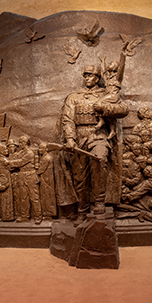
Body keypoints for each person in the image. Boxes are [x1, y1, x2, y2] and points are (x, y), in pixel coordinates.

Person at [60, 64, 129, 221]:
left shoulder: (106, 93)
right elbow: (68, 119)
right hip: (79, 136)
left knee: (99, 160)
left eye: (90, 75)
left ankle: (99, 202)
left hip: (98, 135)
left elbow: (123, 109)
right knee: (79, 176)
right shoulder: (73, 97)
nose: (87, 78)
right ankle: (82, 210)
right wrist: (70, 139)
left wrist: (105, 108)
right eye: (85, 75)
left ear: (97, 78)